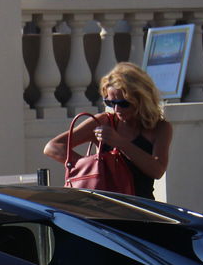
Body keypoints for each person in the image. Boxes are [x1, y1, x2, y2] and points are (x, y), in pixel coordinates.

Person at [42, 62, 173, 200]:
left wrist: (120, 143)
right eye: (111, 103)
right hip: (106, 206)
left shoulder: (159, 128)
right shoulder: (104, 121)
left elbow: (157, 170)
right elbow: (52, 147)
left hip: (141, 207)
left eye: (124, 104)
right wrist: (90, 167)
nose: (117, 110)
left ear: (141, 100)